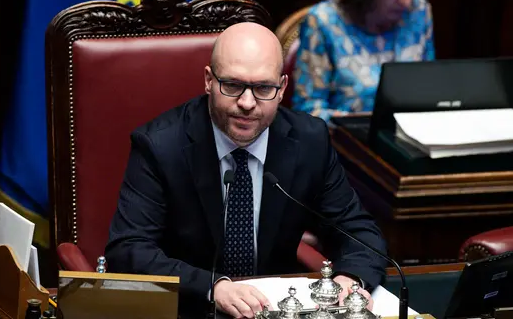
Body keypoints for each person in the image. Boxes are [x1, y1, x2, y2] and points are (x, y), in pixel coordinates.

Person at [104, 22, 387, 318]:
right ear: (209, 81)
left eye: (263, 88)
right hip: (190, 308)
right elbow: (128, 249)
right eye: (233, 85)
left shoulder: (308, 142)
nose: (247, 103)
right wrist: (213, 287)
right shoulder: (161, 146)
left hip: (277, 310)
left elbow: (359, 232)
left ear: (282, 88)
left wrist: (351, 280)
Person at [291, 0, 438, 122]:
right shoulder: (323, 21)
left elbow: (428, 93)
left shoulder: (419, 10)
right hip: (345, 142)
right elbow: (307, 111)